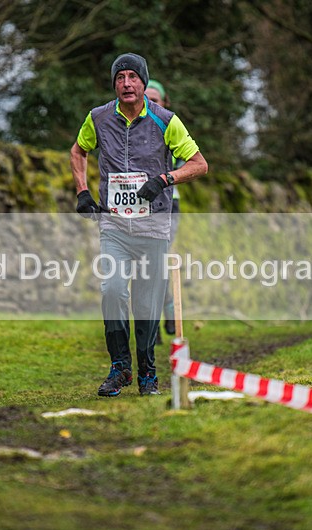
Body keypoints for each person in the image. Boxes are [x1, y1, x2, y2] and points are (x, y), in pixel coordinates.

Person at [70, 53, 208, 396]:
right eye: (120, 77)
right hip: (115, 228)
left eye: (133, 77)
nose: (126, 83)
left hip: (154, 228)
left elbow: (199, 164)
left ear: (144, 83)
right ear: (114, 83)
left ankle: (148, 373)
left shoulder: (165, 120)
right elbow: (78, 151)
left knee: (147, 304)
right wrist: (83, 192)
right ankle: (119, 369)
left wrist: (165, 179)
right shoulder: (98, 118)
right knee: (113, 291)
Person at [145, 79, 180, 343]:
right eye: (146, 98)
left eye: (155, 100)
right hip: (133, 205)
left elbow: (182, 161)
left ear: (164, 103)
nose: (149, 103)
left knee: (157, 258)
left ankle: (164, 310)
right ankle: (151, 319)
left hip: (167, 204)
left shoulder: (169, 124)